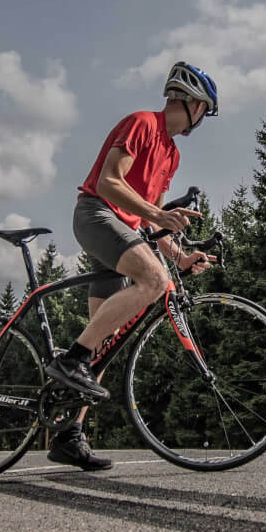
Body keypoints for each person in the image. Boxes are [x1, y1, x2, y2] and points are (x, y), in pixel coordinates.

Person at [43, 61, 220, 470]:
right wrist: (158, 221)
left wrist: (181, 256)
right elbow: (109, 182)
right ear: (191, 103)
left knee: (103, 342)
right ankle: (69, 360)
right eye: (204, 112)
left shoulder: (171, 155)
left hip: (123, 228)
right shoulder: (142, 123)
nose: (202, 122)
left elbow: (148, 215)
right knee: (154, 281)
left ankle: (68, 434)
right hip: (96, 214)